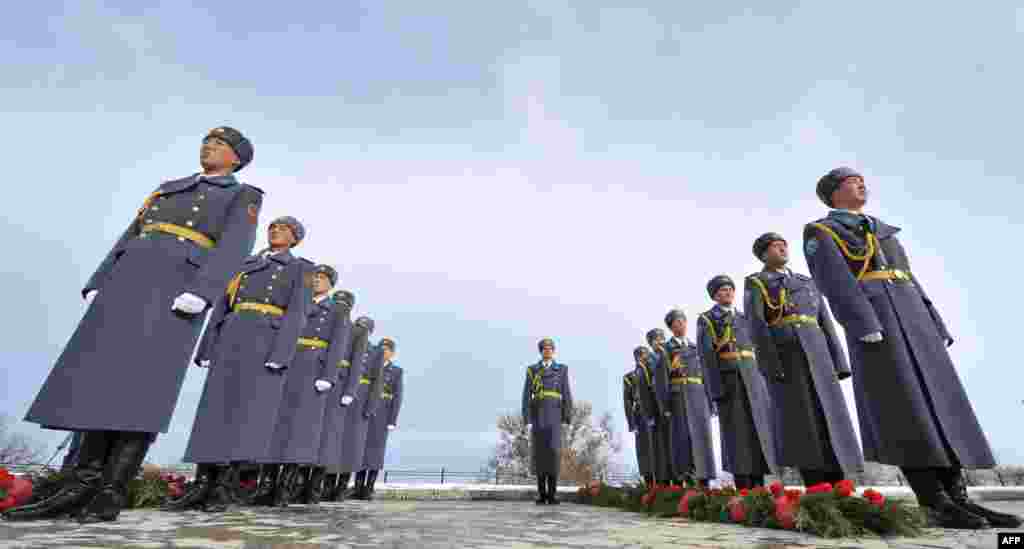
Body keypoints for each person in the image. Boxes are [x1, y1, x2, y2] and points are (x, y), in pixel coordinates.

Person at [5, 127, 260, 523]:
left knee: (142, 388)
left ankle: (111, 491)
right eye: (207, 141)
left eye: (221, 145)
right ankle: (77, 486)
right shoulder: (169, 189)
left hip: (176, 290)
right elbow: (131, 234)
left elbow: (234, 247)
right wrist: (100, 279)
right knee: (96, 379)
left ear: (237, 159)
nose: (209, 146)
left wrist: (204, 291)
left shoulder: (241, 196)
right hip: (128, 283)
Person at [804, 168, 1021, 528]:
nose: (862, 183)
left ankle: (960, 498)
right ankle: (933, 501)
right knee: (903, 409)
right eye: (852, 180)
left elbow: (909, 275)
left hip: (913, 318)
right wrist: (863, 323)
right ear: (834, 192)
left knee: (942, 408)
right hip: (879, 322)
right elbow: (834, 282)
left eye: (862, 179)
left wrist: (934, 320)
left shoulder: (882, 229)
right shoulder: (821, 232)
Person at [170, 216, 312, 511]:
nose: (275, 231)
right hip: (231, 337)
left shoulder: (300, 269)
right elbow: (223, 305)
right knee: (213, 411)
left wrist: (281, 354)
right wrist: (207, 345)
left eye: (284, 229)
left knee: (245, 415)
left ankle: (225, 486)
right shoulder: (246, 264)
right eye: (273, 227)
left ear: (295, 238)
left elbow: (297, 314)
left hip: (264, 342)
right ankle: (203, 484)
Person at [745, 232, 864, 487]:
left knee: (830, 415)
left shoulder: (806, 281)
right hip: (788, 356)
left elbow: (826, 322)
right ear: (764, 254)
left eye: (784, 245)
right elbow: (757, 325)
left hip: (818, 354)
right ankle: (816, 482)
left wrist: (839, 362)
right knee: (802, 419)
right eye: (776, 247)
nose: (782, 250)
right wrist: (769, 365)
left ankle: (840, 481)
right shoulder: (757, 282)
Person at [268, 265, 355, 505]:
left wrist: (328, 376)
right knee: (277, 424)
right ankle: (267, 483)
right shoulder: (299, 301)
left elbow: (338, 344)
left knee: (300, 429)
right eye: (315, 276)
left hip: (313, 369)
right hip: (289, 363)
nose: (317, 280)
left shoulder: (337, 310)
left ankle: (286, 487)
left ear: (331, 284)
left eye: (323, 278)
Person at [698, 275, 777, 489]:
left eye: (730, 289)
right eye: (723, 290)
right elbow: (707, 356)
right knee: (737, 435)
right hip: (729, 382)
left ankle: (759, 486)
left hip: (753, 381)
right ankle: (743, 485)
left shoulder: (744, 318)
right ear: (715, 295)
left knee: (757, 431)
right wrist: (715, 391)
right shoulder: (707, 319)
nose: (728, 293)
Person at [312, 289, 358, 502]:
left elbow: (355, 364)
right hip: (318, 374)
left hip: (336, 383)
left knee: (328, 437)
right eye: (338, 301)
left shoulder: (353, 330)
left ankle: (319, 486)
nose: (341, 306)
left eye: (345, 303)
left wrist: (349, 391)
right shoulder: (322, 314)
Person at [663, 309, 717, 488]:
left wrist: (710, 402)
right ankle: (684, 477)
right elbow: (661, 381)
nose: (681, 325)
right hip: (679, 397)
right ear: (671, 327)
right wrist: (666, 406)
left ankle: (703, 478)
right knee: (683, 439)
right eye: (677, 323)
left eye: (683, 321)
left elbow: (706, 376)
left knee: (702, 437)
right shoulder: (666, 350)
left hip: (698, 396)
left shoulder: (695, 347)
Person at [521, 338, 573, 504]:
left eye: (550, 348)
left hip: (555, 416)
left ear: (554, 351)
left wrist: (567, 417)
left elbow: (567, 393)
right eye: (544, 348)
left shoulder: (562, 369)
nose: (547, 351)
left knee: (553, 453)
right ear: (541, 351)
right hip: (538, 415)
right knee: (540, 454)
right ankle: (541, 494)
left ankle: (552, 494)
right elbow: (526, 395)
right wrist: (527, 418)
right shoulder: (532, 370)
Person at [337, 320, 384, 500]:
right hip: (341, 393)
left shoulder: (374, 352)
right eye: (358, 325)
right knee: (335, 444)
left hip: (360, 398)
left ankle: (341, 487)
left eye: (363, 328)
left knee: (351, 447)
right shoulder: (346, 341)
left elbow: (377, 381)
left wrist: (370, 407)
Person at [361, 337, 404, 500]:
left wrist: (392, 420)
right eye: (381, 348)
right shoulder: (369, 366)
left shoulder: (396, 372)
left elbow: (397, 397)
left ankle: (368, 488)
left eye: (387, 349)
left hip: (383, 413)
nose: (384, 352)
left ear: (392, 353)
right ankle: (358, 487)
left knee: (375, 452)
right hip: (365, 411)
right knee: (361, 449)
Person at [644, 328, 674, 485]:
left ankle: (679, 479)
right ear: (650, 343)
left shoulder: (671, 354)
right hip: (656, 407)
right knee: (660, 447)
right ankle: (663, 483)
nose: (660, 341)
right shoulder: (647, 361)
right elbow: (644, 391)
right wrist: (649, 414)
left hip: (672, 403)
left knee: (674, 444)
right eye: (656, 339)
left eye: (662, 338)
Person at [623, 357, 654, 489]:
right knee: (644, 450)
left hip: (654, 412)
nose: (643, 358)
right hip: (640, 415)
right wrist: (632, 423)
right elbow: (628, 401)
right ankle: (649, 483)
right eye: (640, 356)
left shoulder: (654, 371)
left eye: (645, 355)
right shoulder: (630, 377)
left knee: (659, 449)